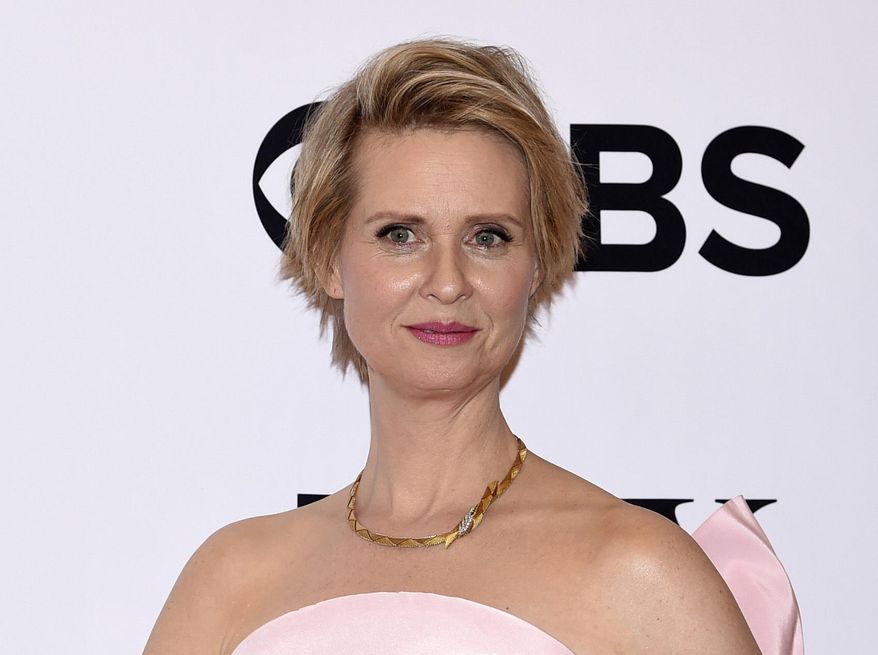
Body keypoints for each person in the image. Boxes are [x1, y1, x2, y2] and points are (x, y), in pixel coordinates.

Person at [144, 38, 799, 654]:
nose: (448, 281)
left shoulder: (642, 574)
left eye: (488, 237)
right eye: (401, 234)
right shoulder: (232, 579)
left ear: (536, 266)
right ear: (327, 259)